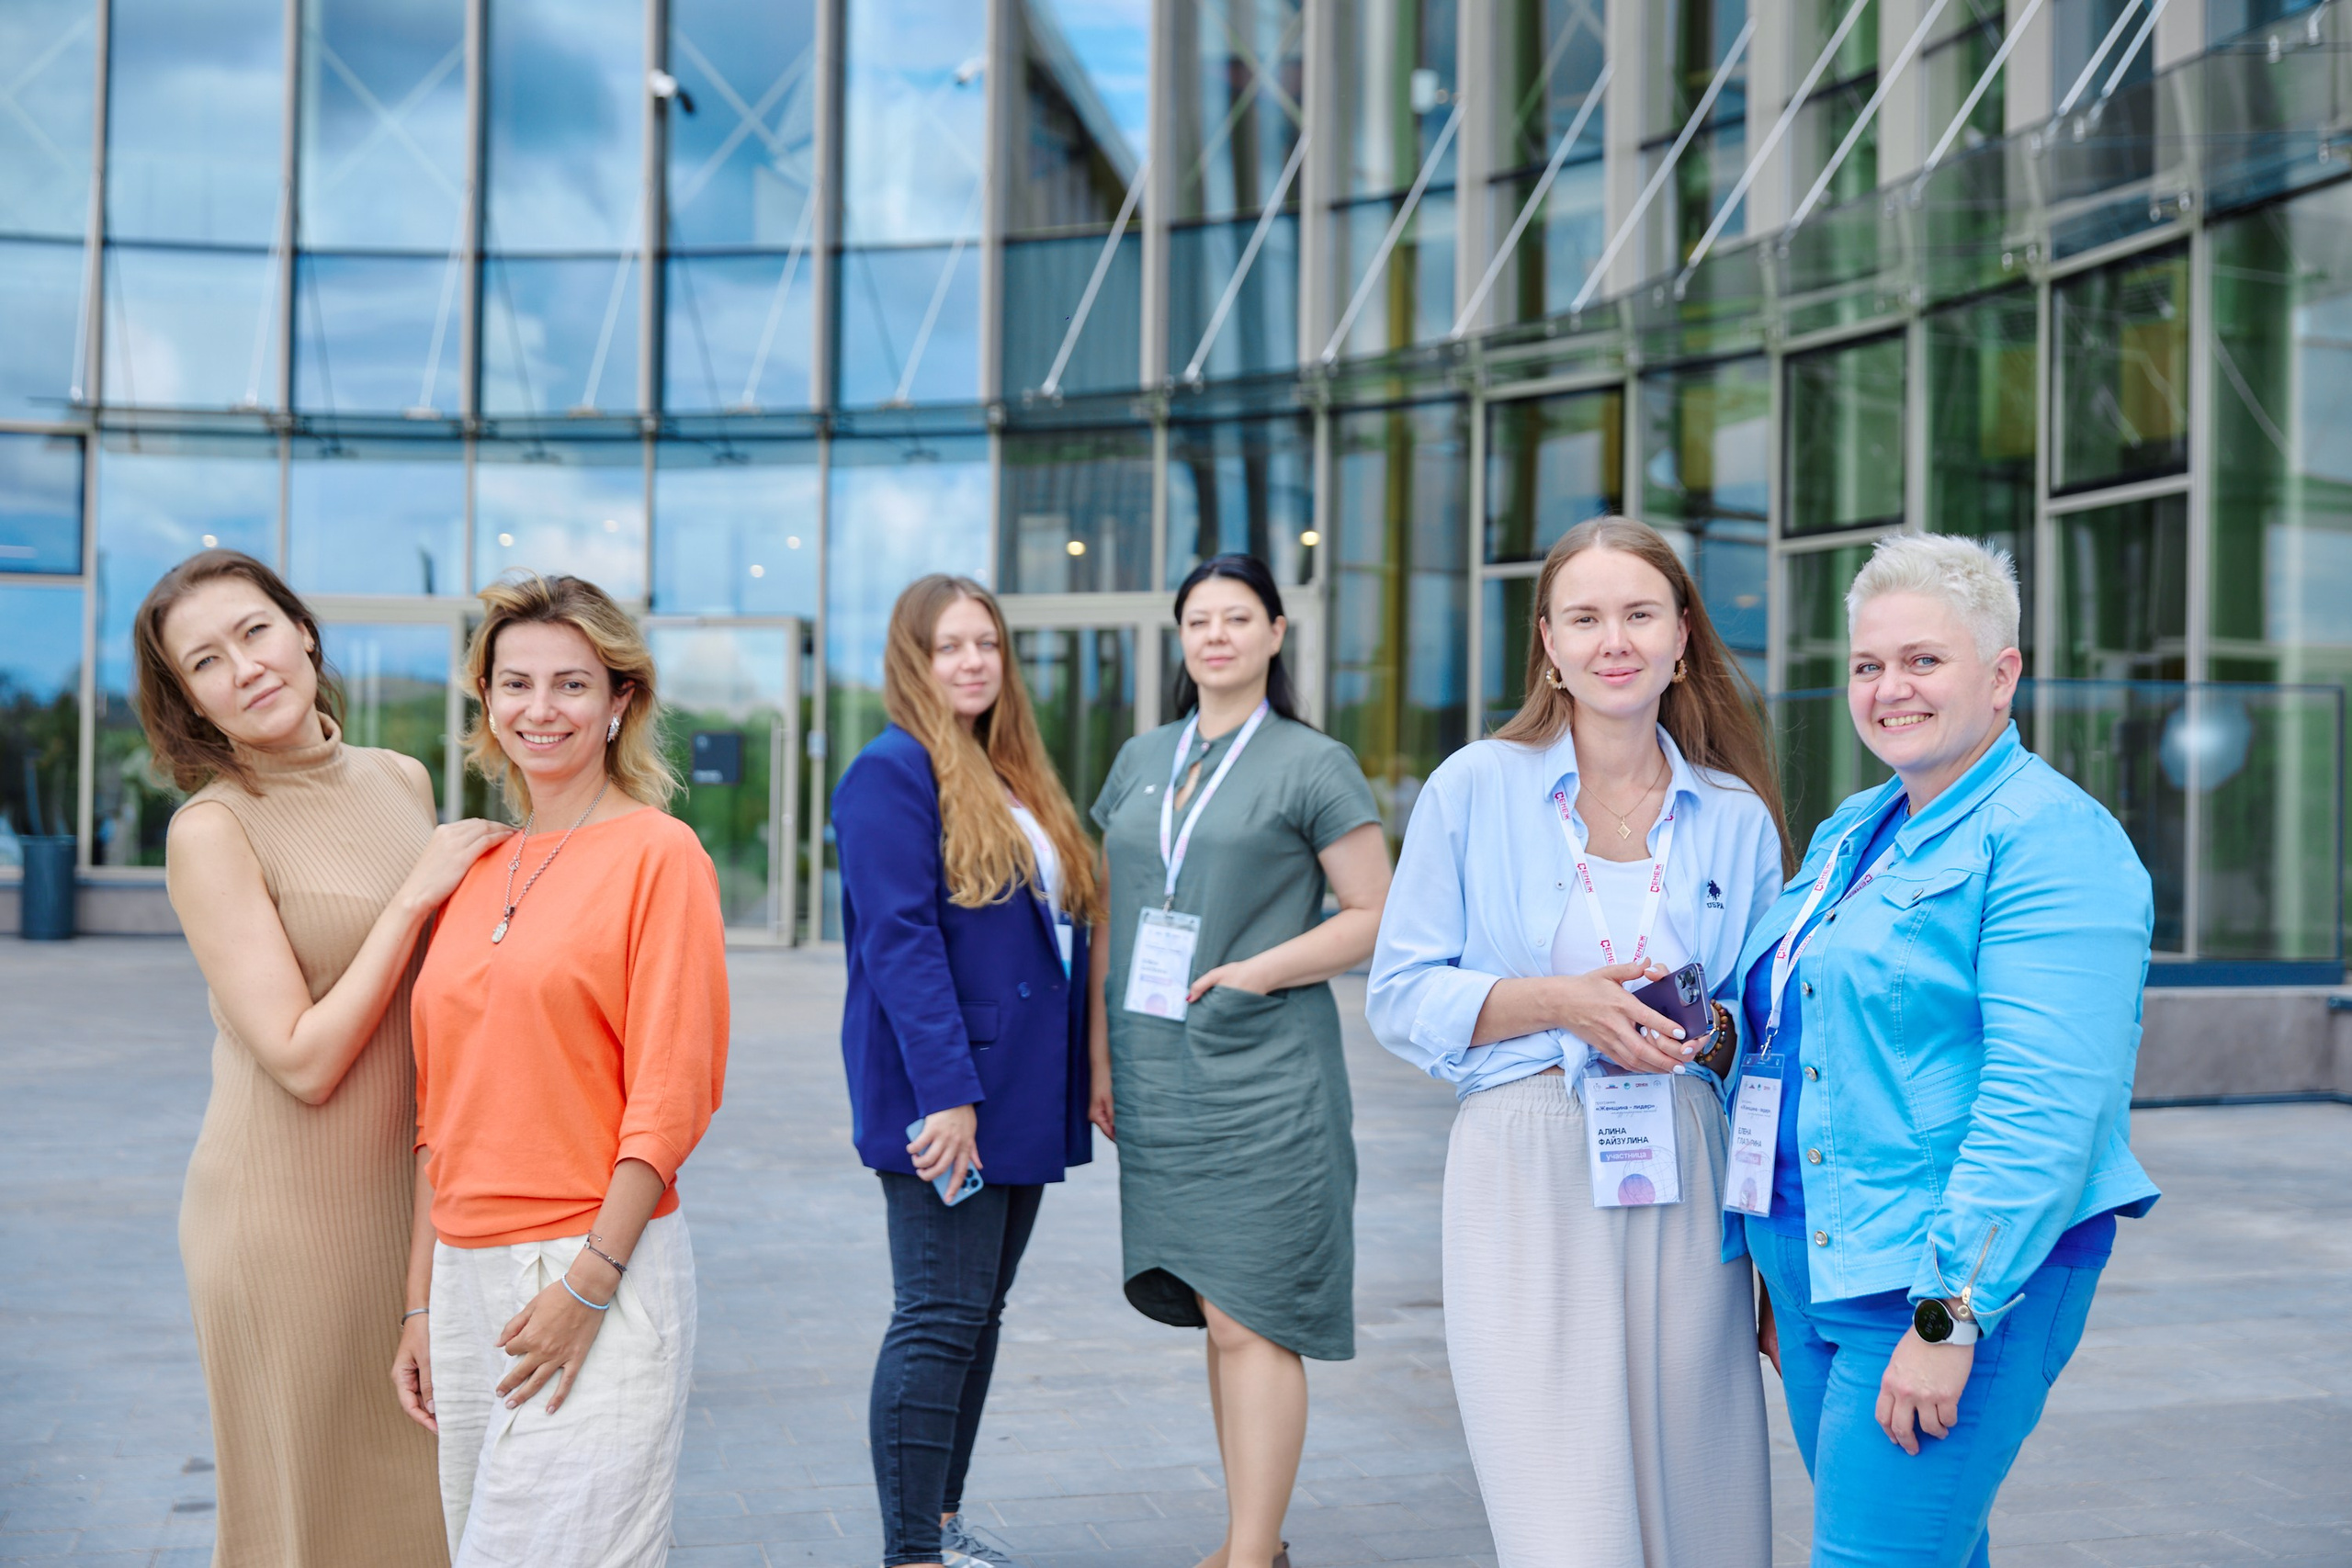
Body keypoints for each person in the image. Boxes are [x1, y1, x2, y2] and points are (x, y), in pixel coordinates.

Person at [1728, 533, 2159, 1567]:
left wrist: (1945, 1319)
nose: (1889, 690)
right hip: (1814, 1260)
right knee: (1924, 1549)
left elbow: (2044, 1106)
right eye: (1869, 666)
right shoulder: (1854, 827)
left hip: (1937, 1276)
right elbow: (1801, 1023)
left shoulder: (2051, 839)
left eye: (1923, 661)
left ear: (2002, 673)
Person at [1366, 517, 1788, 1567]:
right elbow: (1401, 991)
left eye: (1640, 614)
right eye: (1586, 617)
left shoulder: (1735, 815)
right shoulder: (1472, 787)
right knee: (1564, 1517)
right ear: (1548, 642)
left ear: (1681, 637)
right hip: (1523, 1165)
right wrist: (1561, 1003)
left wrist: (1713, 1032)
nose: (1615, 640)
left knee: (1701, 1501)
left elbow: (1768, 1025)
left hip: (1685, 1176)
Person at [141, 549, 508, 1568]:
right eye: (205, 661)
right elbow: (303, 1059)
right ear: (189, 700)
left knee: (427, 1511)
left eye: (254, 632)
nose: (245, 668)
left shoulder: (400, 777)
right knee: (313, 1524)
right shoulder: (211, 830)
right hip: (285, 1222)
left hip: (413, 1204)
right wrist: (415, 894)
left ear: (301, 630)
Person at [396, 573, 729, 1568]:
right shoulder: (473, 868)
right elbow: (437, 1115)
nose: (540, 710)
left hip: (591, 1265)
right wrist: (420, 1303)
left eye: (573, 685)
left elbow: (669, 1100)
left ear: (621, 698)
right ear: (487, 701)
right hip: (462, 1278)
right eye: (516, 684)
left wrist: (588, 1286)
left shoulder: (659, 856)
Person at [1089, 553, 1391, 1568]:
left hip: (1264, 1074)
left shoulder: (1313, 762)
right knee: (1220, 1318)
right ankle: (1248, 1541)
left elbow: (1375, 916)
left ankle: (1249, 1554)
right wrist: (1097, 1056)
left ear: (1273, 634)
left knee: (1252, 1311)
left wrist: (1258, 971)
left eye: (1236, 617)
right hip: (1154, 1069)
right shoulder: (1140, 759)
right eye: (1197, 621)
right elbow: (1110, 917)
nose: (1215, 635)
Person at [833, 575, 1105, 1568]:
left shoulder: (1006, 771)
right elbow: (899, 943)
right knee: (937, 1315)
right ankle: (911, 1551)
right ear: (913, 659)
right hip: (952, 1099)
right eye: (949, 646)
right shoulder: (890, 772)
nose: (973, 662)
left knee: (974, 1316)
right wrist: (947, 1096)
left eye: (986, 643)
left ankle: (939, 1527)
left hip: (1020, 1094)